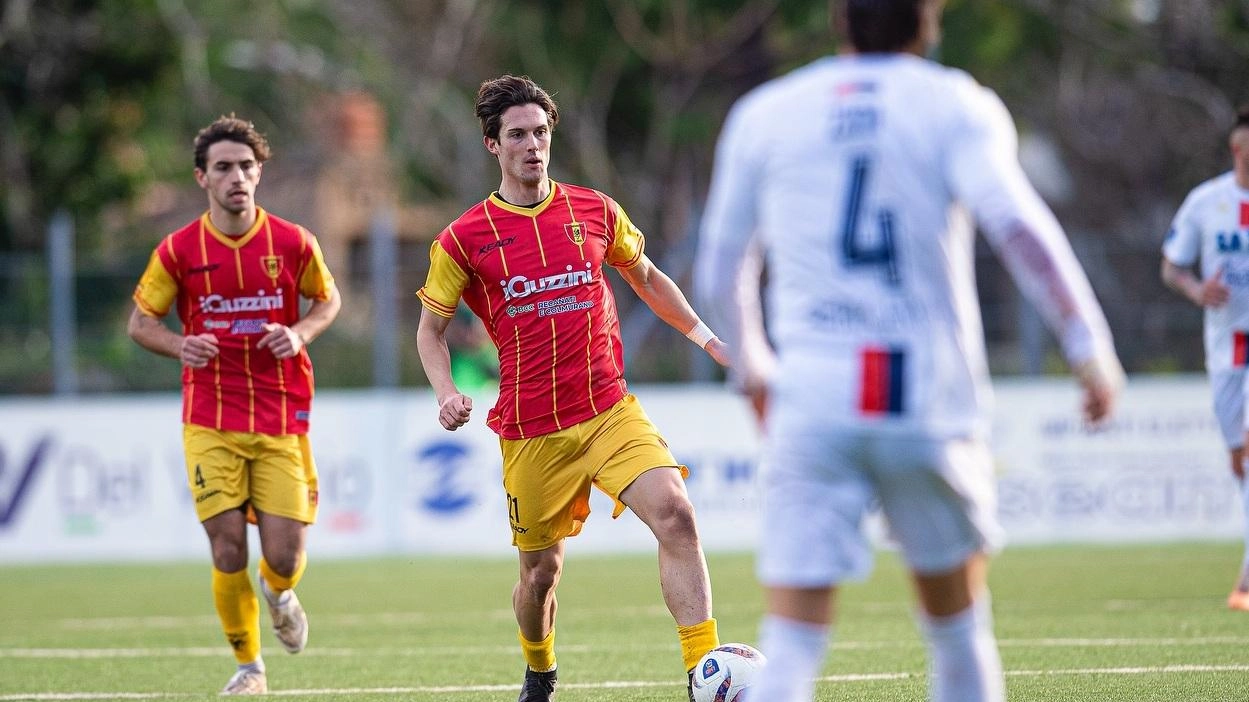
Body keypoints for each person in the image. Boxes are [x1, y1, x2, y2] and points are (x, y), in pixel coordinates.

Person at [694, 1, 1125, 700]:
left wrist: (753, 365)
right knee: (956, 628)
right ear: (927, 20)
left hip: (813, 391)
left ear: (838, 20)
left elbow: (719, 265)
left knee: (793, 640)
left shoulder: (766, 112)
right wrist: (1087, 344)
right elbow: (1018, 227)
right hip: (923, 390)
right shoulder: (955, 104)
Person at [415, 74, 728, 702]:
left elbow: (647, 277)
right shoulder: (463, 239)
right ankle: (539, 668)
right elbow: (431, 330)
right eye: (517, 135)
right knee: (540, 577)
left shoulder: (594, 209)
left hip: (608, 410)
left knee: (677, 514)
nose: (532, 145)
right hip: (532, 431)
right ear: (491, 145)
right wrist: (446, 391)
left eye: (541, 132)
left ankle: (704, 670)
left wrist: (711, 341)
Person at [127, 115, 341, 695]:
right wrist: (178, 343)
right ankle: (250, 667)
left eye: (246, 167)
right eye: (223, 168)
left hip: (280, 413)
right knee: (225, 545)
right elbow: (141, 322)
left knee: (285, 555)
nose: (237, 177)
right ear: (203, 178)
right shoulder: (179, 250)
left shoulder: (294, 242)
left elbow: (328, 300)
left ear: (259, 174)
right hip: (210, 418)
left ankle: (279, 593)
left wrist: (300, 333)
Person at [1161, 108, 1249, 612]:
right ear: (1237, 151)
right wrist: (1198, 289)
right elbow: (1171, 267)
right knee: (1241, 462)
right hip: (1227, 349)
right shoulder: (1207, 203)